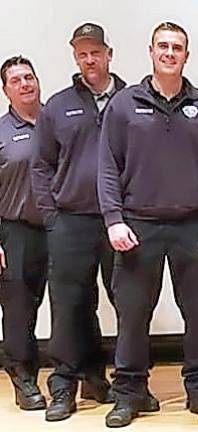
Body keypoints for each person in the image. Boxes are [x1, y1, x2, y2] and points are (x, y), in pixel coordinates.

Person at [98, 22, 198, 427]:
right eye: (163, 46)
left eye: (177, 47)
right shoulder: (123, 104)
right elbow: (106, 166)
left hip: (195, 225)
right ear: (151, 51)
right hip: (139, 225)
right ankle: (129, 391)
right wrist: (114, 220)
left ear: (187, 57)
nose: (170, 53)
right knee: (133, 314)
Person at [30, 22, 126, 422]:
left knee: (129, 304)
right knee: (69, 306)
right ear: (76, 57)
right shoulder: (58, 105)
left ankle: (127, 386)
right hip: (71, 221)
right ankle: (64, 385)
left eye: (95, 52)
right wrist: (53, 218)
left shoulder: (131, 99)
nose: (89, 59)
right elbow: (40, 166)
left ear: (108, 53)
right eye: (81, 53)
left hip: (121, 221)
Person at [0, 56, 47, 411]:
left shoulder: (58, 121)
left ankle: (84, 375)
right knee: (19, 308)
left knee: (76, 302)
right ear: (6, 90)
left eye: (29, 77)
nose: (25, 84)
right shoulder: (1, 132)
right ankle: (24, 379)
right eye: (16, 80)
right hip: (15, 230)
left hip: (62, 228)